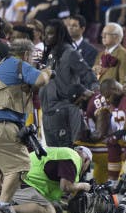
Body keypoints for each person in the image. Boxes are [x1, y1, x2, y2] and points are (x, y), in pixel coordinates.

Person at [0, 39, 51, 213]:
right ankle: (4, 205)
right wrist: (47, 71)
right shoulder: (18, 64)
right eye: (31, 57)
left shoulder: (2, 66)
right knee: (20, 165)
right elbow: (41, 79)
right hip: (1, 124)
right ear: (25, 55)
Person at [40, 19, 97, 148]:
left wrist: (94, 93)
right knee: (53, 156)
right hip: (48, 111)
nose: (46, 37)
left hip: (64, 110)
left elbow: (88, 74)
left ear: (59, 34)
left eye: (50, 34)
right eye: (45, 33)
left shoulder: (70, 53)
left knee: (67, 154)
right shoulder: (49, 54)